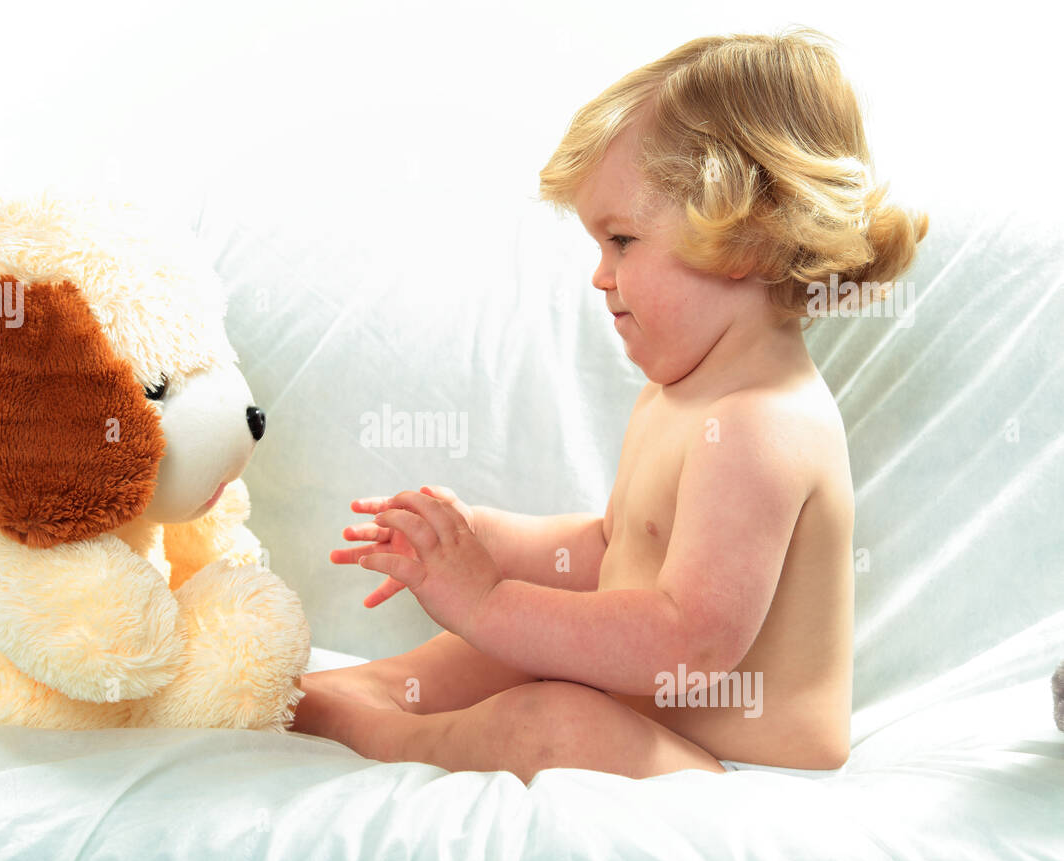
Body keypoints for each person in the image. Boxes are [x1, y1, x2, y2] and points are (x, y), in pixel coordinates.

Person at [288, 28, 927, 782]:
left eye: (622, 240)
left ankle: (391, 737)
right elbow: (611, 550)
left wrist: (489, 600)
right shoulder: (678, 395)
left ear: (749, 237)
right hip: (648, 708)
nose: (600, 275)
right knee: (504, 651)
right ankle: (367, 689)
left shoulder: (762, 425)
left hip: (743, 762)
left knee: (551, 719)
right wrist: (483, 541)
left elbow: (687, 645)